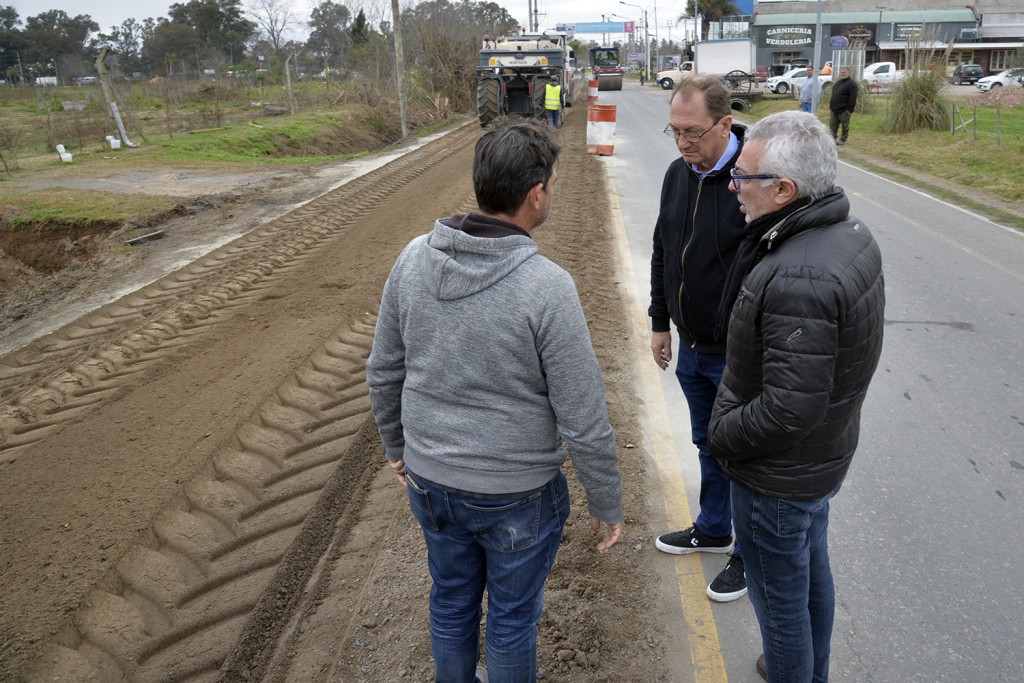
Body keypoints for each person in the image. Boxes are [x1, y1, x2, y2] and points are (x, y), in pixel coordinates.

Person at [366, 117, 624, 683]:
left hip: (431, 482)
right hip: (517, 495)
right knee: (510, 620)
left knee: (451, 600)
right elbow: (582, 415)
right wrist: (607, 500)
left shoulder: (413, 259)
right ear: (536, 195)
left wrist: (397, 448)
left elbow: (383, 369)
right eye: (552, 184)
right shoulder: (547, 286)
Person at [709, 110, 885, 681]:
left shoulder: (797, 273)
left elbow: (788, 408)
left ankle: (795, 668)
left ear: (784, 189)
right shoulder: (845, 234)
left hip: (776, 479)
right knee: (810, 579)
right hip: (817, 462)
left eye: (743, 176)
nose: (733, 187)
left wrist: (722, 434)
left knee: (780, 608)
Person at [650, 76, 749, 603]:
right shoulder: (677, 173)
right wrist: (659, 321)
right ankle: (714, 528)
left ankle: (749, 554)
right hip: (691, 347)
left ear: (725, 124)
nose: (682, 141)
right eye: (675, 130)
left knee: (745, 455)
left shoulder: (751, 178)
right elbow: (663, 248)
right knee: (707, 443)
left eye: (693, 132)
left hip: (738, 353)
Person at [829, 67, 858, 145]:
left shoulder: (852, 84)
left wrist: (849, 109)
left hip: (844, 110)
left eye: (844, 72)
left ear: (848, 73)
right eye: (841, 72)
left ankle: (843, 140)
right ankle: (832, 139)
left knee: (845, 126)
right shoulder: (837, 83)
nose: (843, 74)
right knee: (832, 126)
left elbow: (853, 98)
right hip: (834, 109)